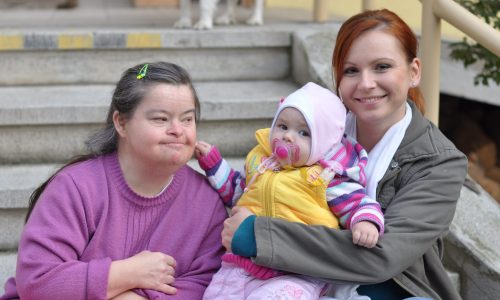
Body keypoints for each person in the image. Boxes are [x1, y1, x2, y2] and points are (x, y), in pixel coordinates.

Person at [220, 9, 468, 300]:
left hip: (390, 290)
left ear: (414, 72)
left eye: (382, 66)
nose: (365, 83)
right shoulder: (314, 130)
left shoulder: (439, 163)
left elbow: (382, 255)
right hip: (287, 280)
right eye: (351, 70)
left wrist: (259, 235)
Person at [0, 62, 227, 300]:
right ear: (121, 122)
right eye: (161, 119)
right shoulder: (75, 187)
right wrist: (126, 274)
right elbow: (38, 282)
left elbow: (211, 286)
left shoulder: (207, 201)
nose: (178, 130)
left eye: (187, 119)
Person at [195, 82, 384, 299]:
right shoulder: (259, 162)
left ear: (323, 143)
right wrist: (214, 164)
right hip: (241, 265)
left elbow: (359, 203)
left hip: (295, 273)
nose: (288, 137)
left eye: (303, 132)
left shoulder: (326, 177)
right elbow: (237, 191)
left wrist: (366, 221)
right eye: (283, 126)